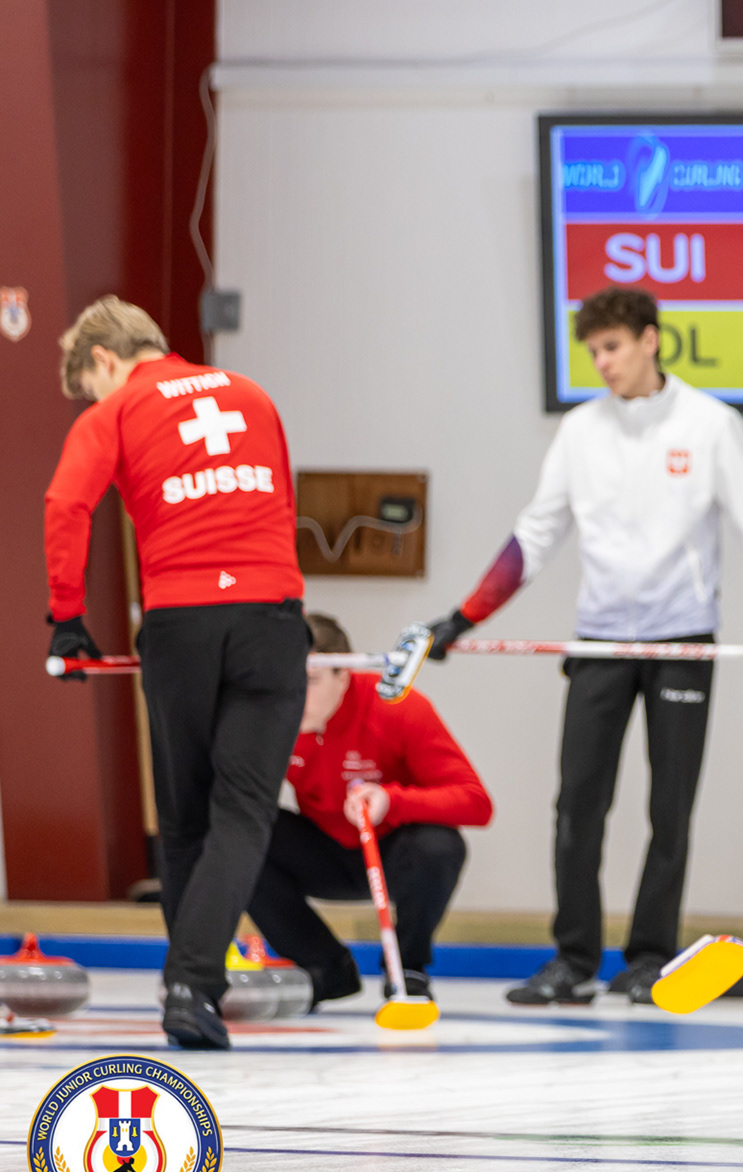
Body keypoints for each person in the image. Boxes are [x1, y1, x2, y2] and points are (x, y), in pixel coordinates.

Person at [422, 287, 743, 1006]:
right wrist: (460, 619)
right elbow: (534, 535)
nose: (603, 363)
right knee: (576, 805)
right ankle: (572, 960)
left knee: (669, 810)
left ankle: (650, 957)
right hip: (599, 641)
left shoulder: (711, 424)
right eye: (594, 351)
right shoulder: (579, 431)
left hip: (682, 641)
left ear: (650, 339)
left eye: (613, 347)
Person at [44, 296, 308, 1050]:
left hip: (181, 621)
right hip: (271, 615)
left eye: (89, 386)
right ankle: (193, 986)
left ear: (104, 359)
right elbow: (279, 498)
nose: (93, 398)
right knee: (244, 811)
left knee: (186, 817)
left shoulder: (118, 410)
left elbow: (66, 504)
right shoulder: (251, 394)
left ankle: (189, 988)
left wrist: (67, 617)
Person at [247, 612, 493, 1004]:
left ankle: (407, 969)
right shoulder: (271, 718)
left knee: (439, 846)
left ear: (344, 674)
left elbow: (476, 802)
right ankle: (325, 967)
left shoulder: (397, 707)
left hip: (392, 850)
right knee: (239, 834)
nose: (294, 693)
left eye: (310, 680)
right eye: (285, 679)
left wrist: (392, 800)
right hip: (325, 849)